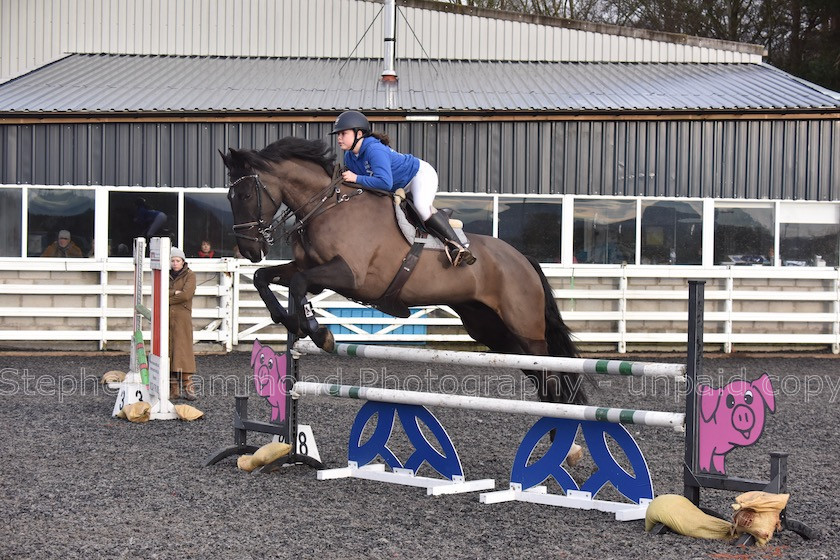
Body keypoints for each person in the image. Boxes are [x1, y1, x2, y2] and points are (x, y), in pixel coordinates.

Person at [330, 110, 476, 267]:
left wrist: (356, 178)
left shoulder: (374, 150)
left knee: (421, 207)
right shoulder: (350, 156)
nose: (339, 138)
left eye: (343, 133)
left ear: (358, 133)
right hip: (399, 185)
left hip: (418, 176)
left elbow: (385, 183)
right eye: (338, 134)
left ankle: (459, 245)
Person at [169, 247, 197, 401]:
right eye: (172, 260)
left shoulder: (190, 275)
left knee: (183, 352)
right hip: (167, 318)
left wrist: (167, 297)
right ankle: (173, 388)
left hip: (182, 318)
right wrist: (174, 293)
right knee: (169, 351)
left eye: (177, 260)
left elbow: (186, 295)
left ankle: (188, 386)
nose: (175, 263)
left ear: (183, 261)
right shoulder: (164, 275)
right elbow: (159, 292)